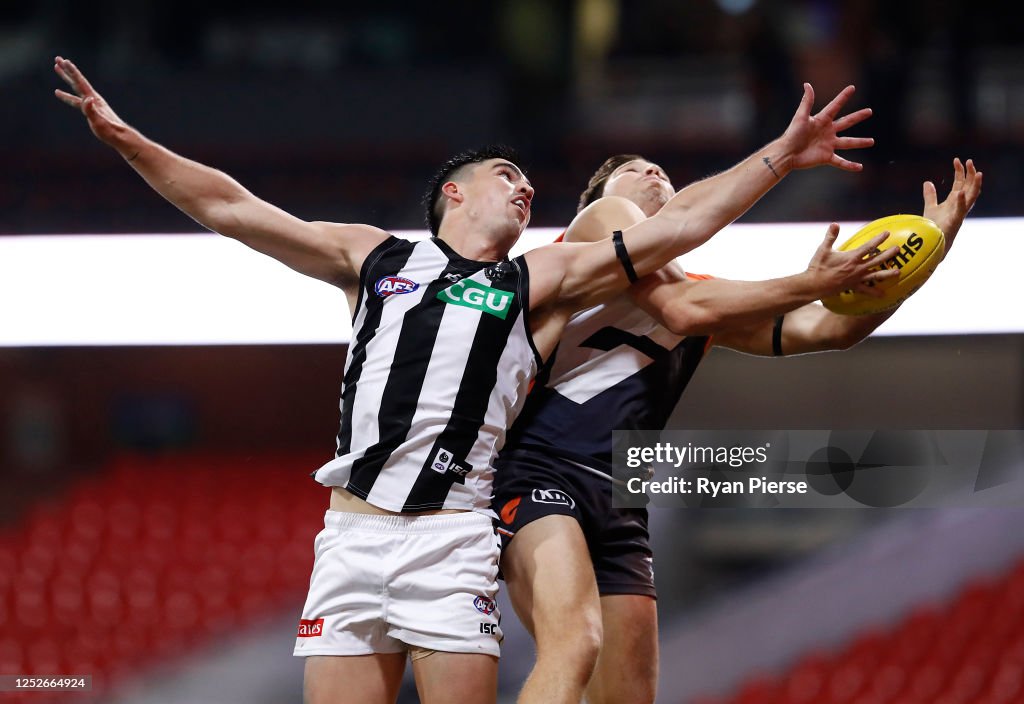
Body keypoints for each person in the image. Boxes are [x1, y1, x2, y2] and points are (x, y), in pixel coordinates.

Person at [54, 54, 885, 704]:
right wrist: (129, 140)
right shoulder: (374, 256)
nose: (525, 188)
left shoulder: (539, 281)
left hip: (453, 537)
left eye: (529, 184)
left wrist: (781, 157)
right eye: (506, 177)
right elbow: (235, 209)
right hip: (350, 535)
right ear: (453, 192)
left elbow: (681, 230)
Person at [492, 155, 982, 704]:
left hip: (620, 497)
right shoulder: (594, 230)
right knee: (574, 642)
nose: (654, 173)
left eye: (662, 169)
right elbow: (683, 308)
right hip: (537, 468)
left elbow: (829, 328)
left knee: (626, 697)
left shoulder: (708, 295)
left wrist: (927, 252)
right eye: (634, 169)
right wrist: (813, 279)